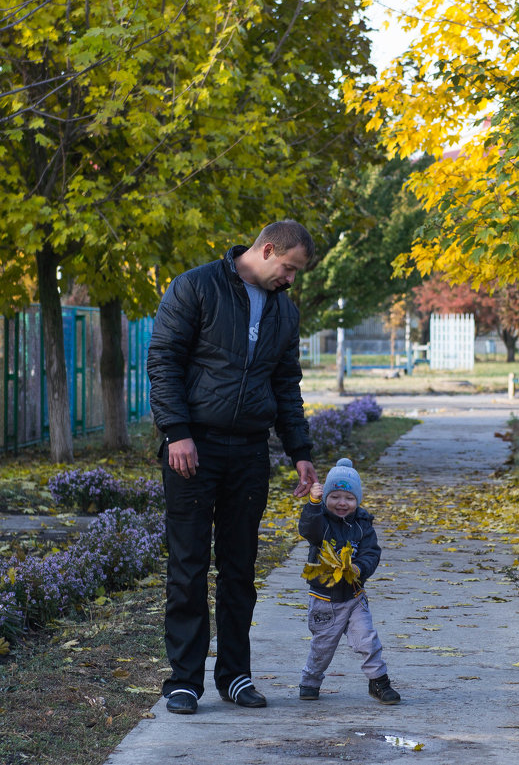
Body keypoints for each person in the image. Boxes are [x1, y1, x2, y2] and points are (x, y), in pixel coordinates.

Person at [147, 220, 319, 715]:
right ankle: (184, 681)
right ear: (267, 250)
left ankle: (236, 676)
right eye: (288, 268)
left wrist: (300, 451)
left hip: (248, 453)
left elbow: (287, 385)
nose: (291, 280)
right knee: (188, 566)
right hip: (192, 449)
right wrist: (176, 431)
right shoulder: (195, 286)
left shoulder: (284, 312)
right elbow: (164, 361)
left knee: (240, 570)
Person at [297, 458, 400, 704]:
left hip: (354, 597)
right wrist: (313, 503)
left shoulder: (363, 525)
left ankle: (379, 682)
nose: (342, 503)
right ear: (326, 498)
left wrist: (360, 567)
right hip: (324, 597)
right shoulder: (320, 520)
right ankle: (310, 681)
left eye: (349, 498)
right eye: (335, 496)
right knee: (322, 647)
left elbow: (371, 553)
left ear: (357, 500)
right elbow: (307, 530)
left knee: (368, 639)